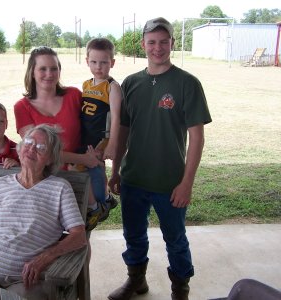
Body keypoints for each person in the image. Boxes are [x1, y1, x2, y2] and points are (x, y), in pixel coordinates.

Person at [108, 17, 212, 300]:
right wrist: (116, 171)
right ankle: (136, 281)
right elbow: (123, 133)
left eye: (163, 42)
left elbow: (197, 138)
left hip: (170, 183)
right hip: (133, 180)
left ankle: (180, 289)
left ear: (172, 44)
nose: (157, 48)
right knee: (134, 236)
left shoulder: (187, 83)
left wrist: (187, 183)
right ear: (143, 45)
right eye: (151, 42)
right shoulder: (131, 83)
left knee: (176, 241)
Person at [0, 124, 87, 299]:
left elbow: (79, 235)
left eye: (41, 147)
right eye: (28, 141)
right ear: (19, 148)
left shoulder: (59, 188)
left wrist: (46, 257)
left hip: (27, 281)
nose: (32, 148)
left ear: (50, 159)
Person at [14, 46, 107, 231]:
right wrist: (83, 159)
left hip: (81, 178)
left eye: (54, 68)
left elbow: (96, 124)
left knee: (81, 238)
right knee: (48, 237)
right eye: (43, 69)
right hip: (45, 183)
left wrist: (100, 150)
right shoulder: (22, 107)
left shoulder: (74, 95)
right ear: (32, 72)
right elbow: (38, 152)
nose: (49, 74)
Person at [74, 37, 122, 224]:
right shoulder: (86, 84)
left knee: (92, 167)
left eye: (104, 62)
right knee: (90, 167)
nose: (98, 66)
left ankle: (99, 205)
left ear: (112, 63)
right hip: (87, 135)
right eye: (94, 62)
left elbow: (117, 118)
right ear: (87, 61)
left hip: (101, 137)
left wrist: (112, 145)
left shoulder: (112, 87)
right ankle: (105, 199)